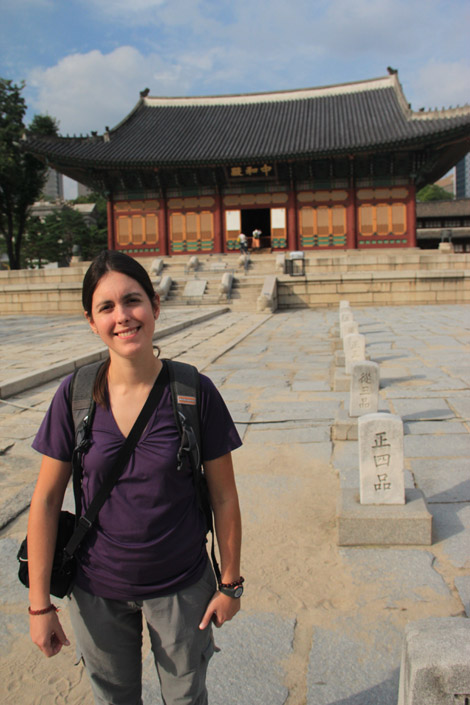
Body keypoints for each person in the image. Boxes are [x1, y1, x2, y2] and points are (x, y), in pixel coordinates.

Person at [27, 250, 243, 705]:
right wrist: (40, 605)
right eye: (106, 307)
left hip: (182, 587)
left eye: (133, 301)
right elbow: (46, 501)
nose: (123, 316)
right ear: (92, 321)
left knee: (187, 698)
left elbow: (224, 497)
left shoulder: (193, 392)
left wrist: (230, 583)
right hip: (95, 589)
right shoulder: (75, 396)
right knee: (114, 699)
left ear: (155, 306)